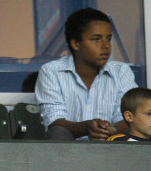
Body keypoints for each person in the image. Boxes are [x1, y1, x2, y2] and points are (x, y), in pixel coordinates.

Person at [35, 8, 138, 140]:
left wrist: (111, 130)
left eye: (108, 38)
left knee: (137, 129)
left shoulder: (121, 72)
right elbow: (54, 122)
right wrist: (87, 127)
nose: (106, 45)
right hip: (67, 154)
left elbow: (129, 117)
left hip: (112, 149)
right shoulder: (52, 72)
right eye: (96, 39)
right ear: (76, 44)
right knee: (57, 133)